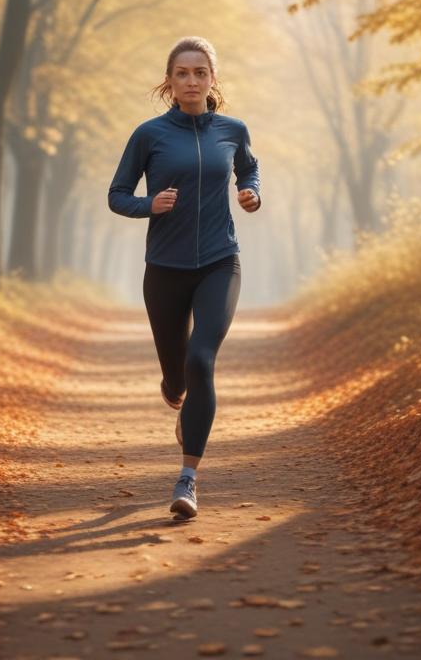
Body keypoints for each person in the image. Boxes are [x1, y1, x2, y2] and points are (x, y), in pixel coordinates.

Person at [107, 36, 261, 520]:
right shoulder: (149, 135)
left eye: (200, 72)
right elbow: (116, 194)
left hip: (220, 262)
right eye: (182, 73)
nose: (192, 81)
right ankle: (175, 391)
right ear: (169, 82)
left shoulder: (232, 130)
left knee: (201, 359)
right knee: (178, 378)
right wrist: (147, 205)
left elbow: (249, 168)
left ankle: (188, 477)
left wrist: (250, 190)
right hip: (166, 270)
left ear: (212, 79)